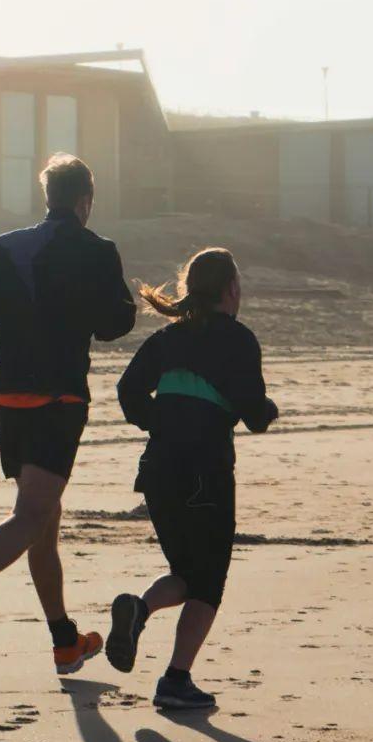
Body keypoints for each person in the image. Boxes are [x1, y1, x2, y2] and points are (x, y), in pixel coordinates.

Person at [0, 152, 136, 673]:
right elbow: (117, 322)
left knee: (44, 517)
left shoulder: (10, 245)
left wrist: (16, 309)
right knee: (32, 515)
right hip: (58, 398)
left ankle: (65, 640)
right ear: (85, 201)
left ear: (48, 197)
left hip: (8, 397)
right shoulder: (97, 250)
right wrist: (77, 311)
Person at [107, 248, 278, 711]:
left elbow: (127, 391)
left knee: (187, 573)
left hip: (158, 471)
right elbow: (254, 414)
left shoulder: (168, 337)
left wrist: (161, 422)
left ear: (190, 288)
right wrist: (268, 411)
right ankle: (176, 679)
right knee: (208, 583)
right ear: (232, 290)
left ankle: (139, 609)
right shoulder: (238, 340)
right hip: (206, 473)